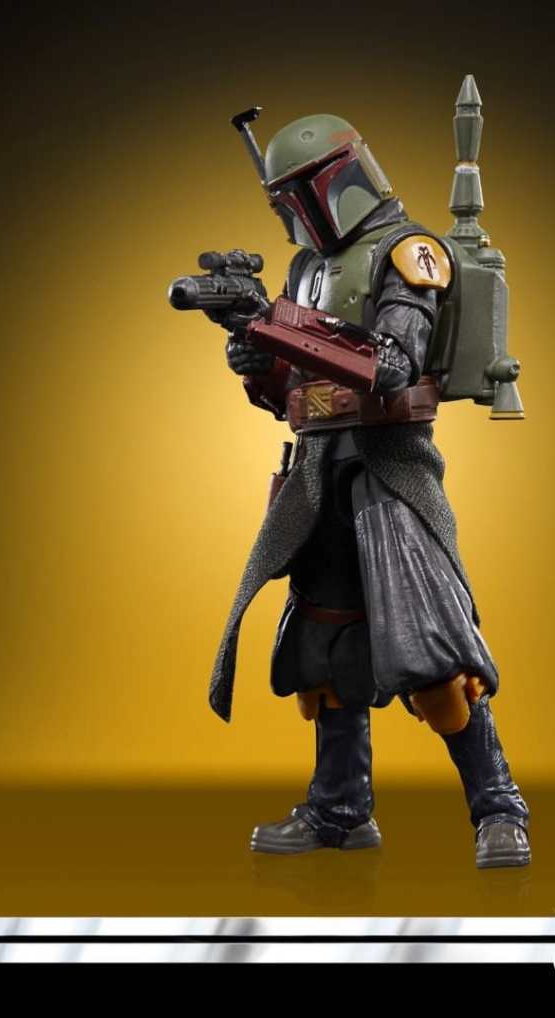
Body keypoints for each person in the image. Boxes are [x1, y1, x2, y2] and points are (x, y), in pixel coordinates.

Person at [208, 110, 530, 869]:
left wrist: (274, 322)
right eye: (281, 204)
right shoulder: (305, 270)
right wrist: (253, 349)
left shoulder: (409, 252)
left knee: (434, 653)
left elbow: (389, 363)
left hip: (389, 466)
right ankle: (340, 811)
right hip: (318, 465)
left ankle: (499, 809)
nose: (293, 215)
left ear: (334, 183)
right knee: (323, 652)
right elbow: (291, 388)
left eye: (297, 198)